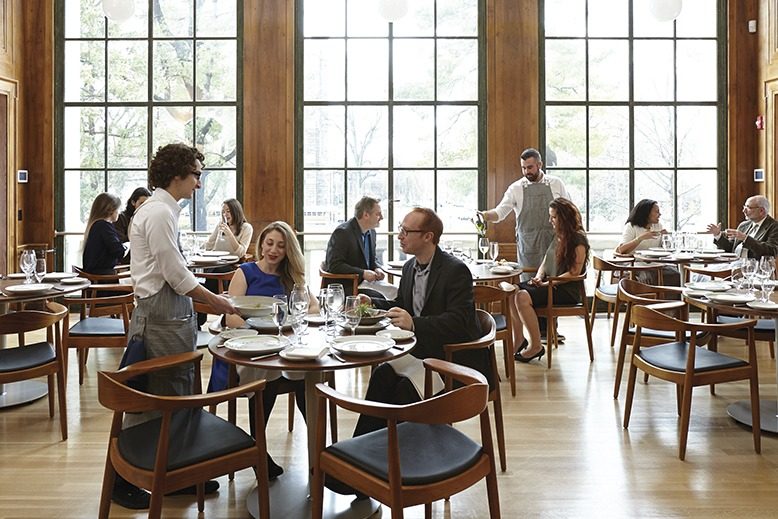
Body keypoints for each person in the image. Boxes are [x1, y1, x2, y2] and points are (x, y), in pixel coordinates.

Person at [325, 207, 491, 497]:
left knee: (402, 394)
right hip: (421, 355)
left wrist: (416, 323)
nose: (399, 235)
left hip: (453, 362)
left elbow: (460, 322)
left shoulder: (455, 271)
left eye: (406, 231)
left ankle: (391, 475)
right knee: (382, 376)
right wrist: (375, 303)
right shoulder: (411, 267)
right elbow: (402, 304)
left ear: (428, 237)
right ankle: (361, 468)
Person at [112, 143, 236, 510]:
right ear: (178, 174)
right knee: (154, 396)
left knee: (175, 392)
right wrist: (217, 300)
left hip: (168, 313)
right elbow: (174, 274)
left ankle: (174, 474)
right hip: (160, 316)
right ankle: (128, 478)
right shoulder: (159, 213)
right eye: (197, 174)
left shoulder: (162, 210)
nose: (199, 183)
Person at [212, 221, 318, 481]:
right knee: (266, 374)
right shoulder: (245, 272)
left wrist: (293, 318)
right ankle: (258, 451)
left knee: (309, 373)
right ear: (261, 244)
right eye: (269, 243)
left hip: (284, 347)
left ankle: (317, 452)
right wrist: (260, 329)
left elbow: (313, 308)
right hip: (247, 348)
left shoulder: (291, 277)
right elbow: (230, 316)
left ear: (287, 250)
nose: (274, 250)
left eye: (281, 246)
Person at [512, 198, 590, 363]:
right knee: (512, 291)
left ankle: (536, 346)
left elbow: (575, 272)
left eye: (553, 217)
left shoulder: (578, 240)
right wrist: (539, 277)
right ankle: (519, 339)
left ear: (564, 218)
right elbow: (545, 262)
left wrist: (549, 283)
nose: (550, 220)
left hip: (566, 291)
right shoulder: (558, 236)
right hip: (550, 284)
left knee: (521, 297)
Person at [479, 147, 570, 280]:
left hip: (555, 245)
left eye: (530, 167)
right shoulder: (515, 188)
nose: (526, 172)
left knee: (554, 288)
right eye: (523, 168)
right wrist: (484, 215)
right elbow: (500, 213)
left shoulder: (556, 184)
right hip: (529, 249)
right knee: (529, 287)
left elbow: (570, 211)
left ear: (540, 165)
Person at [323, 196, 396, 299]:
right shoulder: (343, 233)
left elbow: (371, 259)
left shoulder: (372, 232)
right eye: (378, 214)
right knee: (381, 297)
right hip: (348, 284)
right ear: (366, 215)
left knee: (396, 292)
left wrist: (377, 268)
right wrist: (362, 273)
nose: (382, 217)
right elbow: (334, 265)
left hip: (365, 282)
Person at [197, 198, 254, 327]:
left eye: (228, 211)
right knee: (204, 276)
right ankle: (203, 308)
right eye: (223, 212)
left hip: (230, 268)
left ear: (236, 211)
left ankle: (204, 305)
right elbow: (209, 245)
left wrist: (229, 233)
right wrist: (198, 247)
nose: (225, 215)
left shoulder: (246, 228)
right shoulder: (220, 226)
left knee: (207, 283)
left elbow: (241, 252)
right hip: (214, 265)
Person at [615, 199, 678, 285]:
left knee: (675, 273)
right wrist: (640, 238)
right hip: (634, 263)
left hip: (655, 263)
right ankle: (650, 297)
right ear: (646, 213)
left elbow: (665, 249)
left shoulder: (658, 226)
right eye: (656, 212)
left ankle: (668, 298)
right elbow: (621, 250)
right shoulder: (631, 226)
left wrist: (665, 239)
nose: (660, 214)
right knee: (648, 276)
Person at [707, 195, 778, 259]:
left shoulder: (774, 226)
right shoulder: (743, 225)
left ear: (761, 211)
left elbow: (771, 251)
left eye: (748, 207)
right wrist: (717, 235)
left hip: (758, 268)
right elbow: (731, 248)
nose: (743, 210)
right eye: (744, 207)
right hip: (736, 266)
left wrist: (745, 238)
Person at [82, 192, 126, 275]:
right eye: (118, 209)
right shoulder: (104, 226)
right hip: (102, 278)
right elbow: (119, 252)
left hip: (96, 276)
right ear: (110, 210)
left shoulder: (96, 225)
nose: (119, 213)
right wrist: (128, 246)